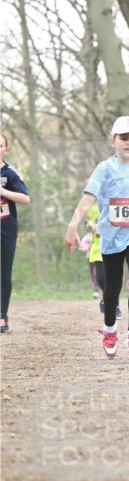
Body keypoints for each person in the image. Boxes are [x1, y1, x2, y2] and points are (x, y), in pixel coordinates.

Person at [65, 116, 129, 357]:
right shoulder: (105, 168)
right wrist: (72, 226)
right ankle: (110, 328)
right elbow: (88, 197)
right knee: (112, 288)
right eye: (124, 138)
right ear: (114, 141)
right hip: (111, 237)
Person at [0, 132, 31, 334]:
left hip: (5, 228)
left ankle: (2, 315)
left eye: (0, 145)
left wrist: (2, 192)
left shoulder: (9, 173)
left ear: (6, 150)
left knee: (3, 272)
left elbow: (25, 198)